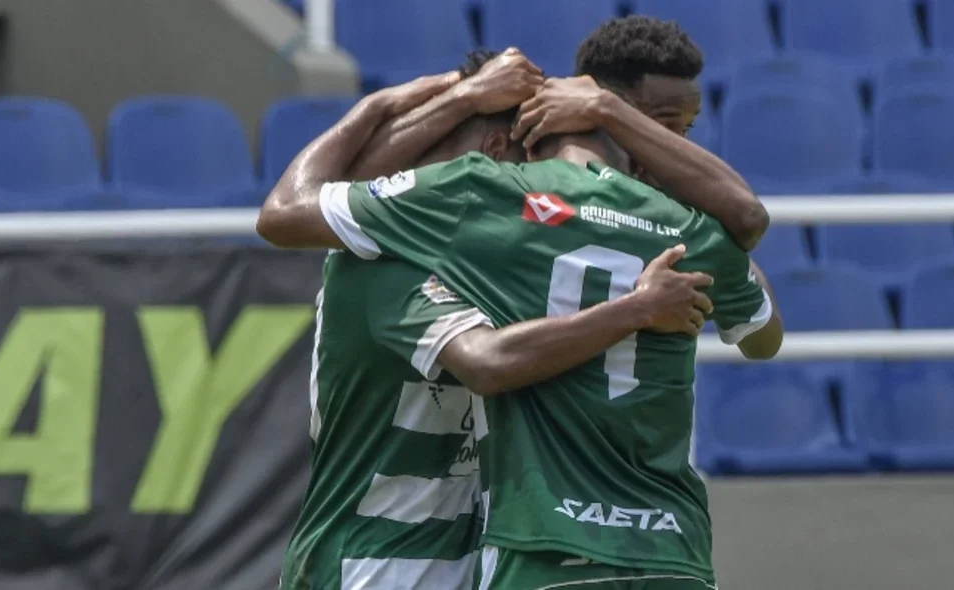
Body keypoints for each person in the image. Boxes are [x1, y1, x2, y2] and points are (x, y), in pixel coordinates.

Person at [258, 69, 783, 590]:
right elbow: (488, 362)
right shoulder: (388, 267)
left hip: (471, 552)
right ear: (493, 151)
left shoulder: (503, 254)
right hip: (373, 561)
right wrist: (636, 308)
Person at [344, 16, 770, 253]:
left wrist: (608, 109)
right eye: (662, 125)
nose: (675, 145)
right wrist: (465, 97)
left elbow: (749, 220)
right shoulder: (529, 182)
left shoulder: (668, 199)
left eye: (686, 130)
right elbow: (345, 193)